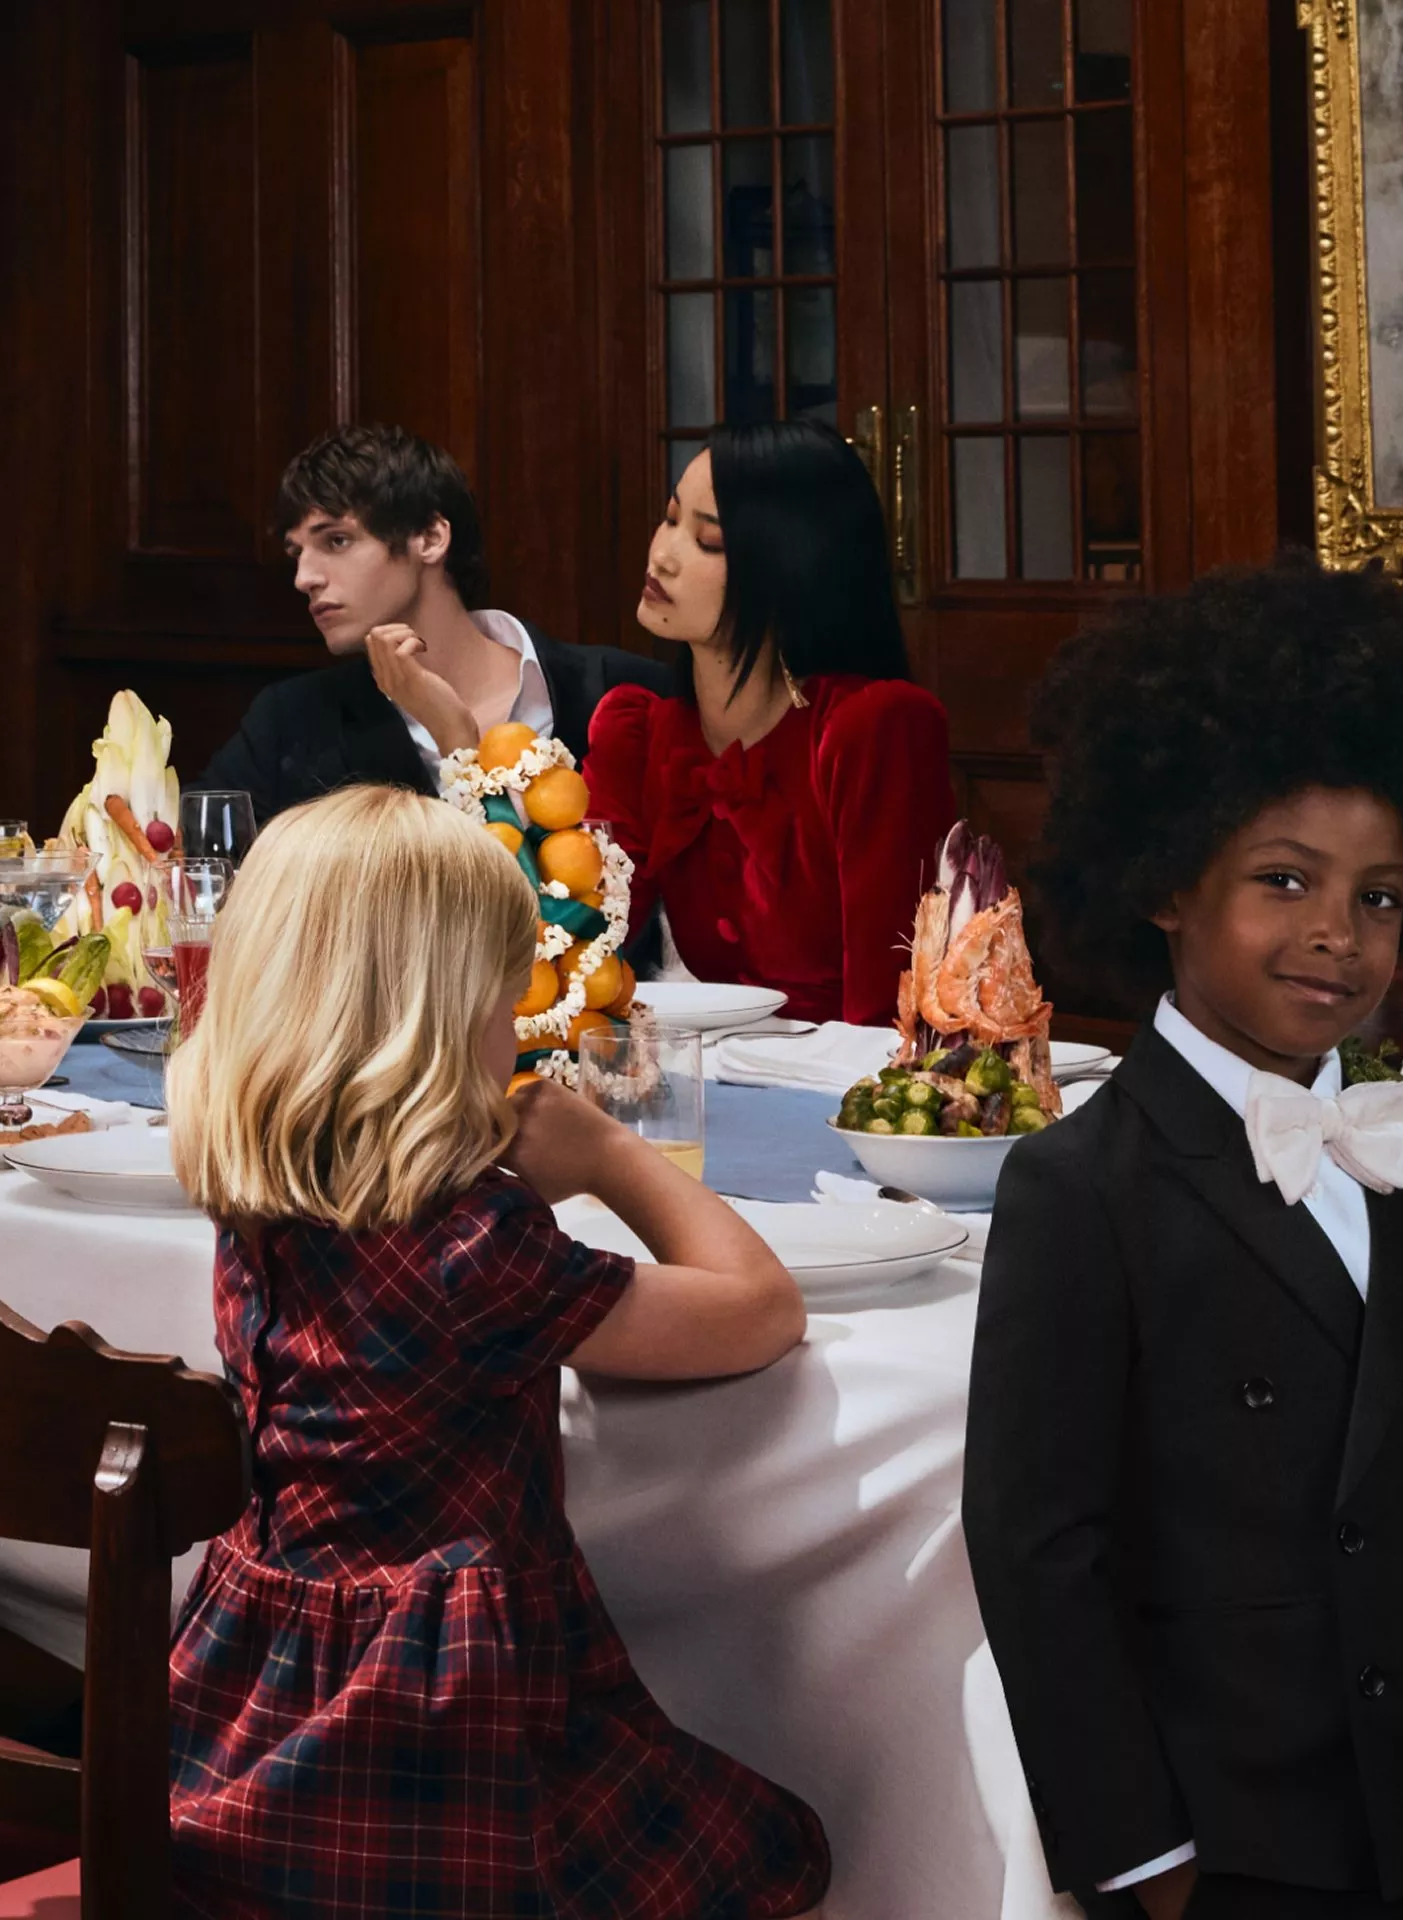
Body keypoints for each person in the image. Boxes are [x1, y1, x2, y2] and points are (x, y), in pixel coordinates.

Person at [969, 565, 1403, 1920]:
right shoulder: (1079, 1188)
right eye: (1283, 882)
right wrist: (1141, 1857)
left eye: (1382, 897)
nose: (1337, 936)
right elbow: (1036, 1552)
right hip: (1233, 1838)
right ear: (1167, 882)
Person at [160, 783, 830, 1919]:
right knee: (786, 1852)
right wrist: (609, 1150)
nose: (515, 1024)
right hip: (436, 1741)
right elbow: (761, 1307)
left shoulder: (256, 1203)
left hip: (245, 1705)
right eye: (500, 991)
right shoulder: (480, 1250)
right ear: (430, 1013)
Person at [582, 419, 953, 1020]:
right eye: (671, 518)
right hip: (712, 1082)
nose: (662, 555)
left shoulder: (868, 729)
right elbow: (580, 953)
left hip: (854, 1093)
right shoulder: (642, 732)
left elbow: (896, 1008)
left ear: (790, 567)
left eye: (708, 542)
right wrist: (462, 743)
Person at [197, 424, 671, 821]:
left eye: (336, 541)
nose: (304, 578)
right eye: (297, 553)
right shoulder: (291, 721)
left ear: (429, 537)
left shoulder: (622, 692)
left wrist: (453, 736)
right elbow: (196, 866)